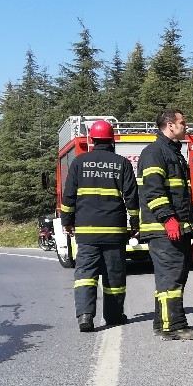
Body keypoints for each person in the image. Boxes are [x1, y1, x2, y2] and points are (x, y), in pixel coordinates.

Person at [60, 119, 139, 331]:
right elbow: (131, 197)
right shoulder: (121, 163)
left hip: (86, 233)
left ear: (92, 140)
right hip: (114, 231)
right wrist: (135, 222)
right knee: (114, 275)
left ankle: (85, 316)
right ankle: (113, 316)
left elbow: (69, 196)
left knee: (85, 275)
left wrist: (67, 222)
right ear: (112, 140)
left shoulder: (78, 163)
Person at [138, 107, 193, 340]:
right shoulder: (154, 153)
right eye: (183, 122)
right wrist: (168, 219)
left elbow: (184, 194)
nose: (186, 126)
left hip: (177, 226)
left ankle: (162, 322)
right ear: (170, 125)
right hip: (163, 229)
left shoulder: (173, 153)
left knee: (173, 277)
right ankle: (174, 326)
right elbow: (153, 191)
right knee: (171, 278)